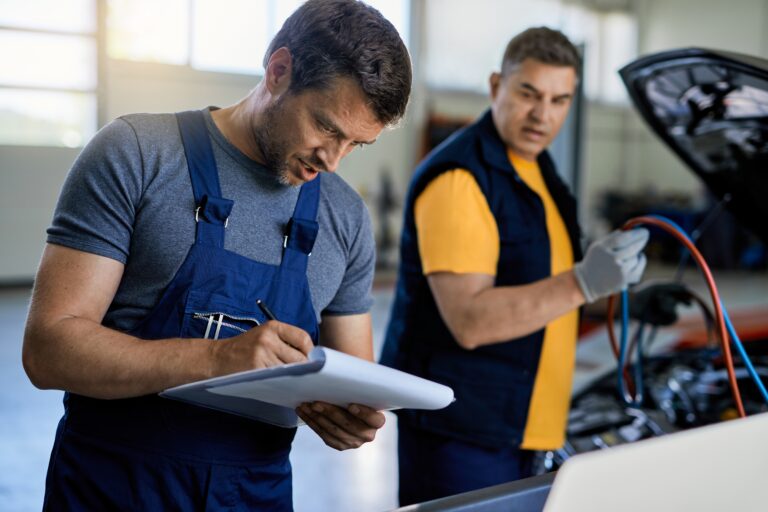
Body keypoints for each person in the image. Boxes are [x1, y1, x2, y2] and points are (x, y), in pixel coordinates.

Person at [22, 1, 411, 510]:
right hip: (113, 485)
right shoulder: (137, 154)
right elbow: (48, 351)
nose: (332, 159)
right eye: (327, 127)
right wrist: (217, 358)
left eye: (356, 144)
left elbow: (354, 377)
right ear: (278, 71)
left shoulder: (346, 218)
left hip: (254, 493)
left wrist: (349, 416)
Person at [380, 27, 649, 505]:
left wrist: (630, 298)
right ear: (495, 86)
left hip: (521, 431)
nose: (542, 115)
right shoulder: (462, 179)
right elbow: (470, 320)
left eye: (559, 99)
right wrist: (584, 282)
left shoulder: (538, 169)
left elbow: (538, 285)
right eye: (529, 93)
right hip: (462, 436)